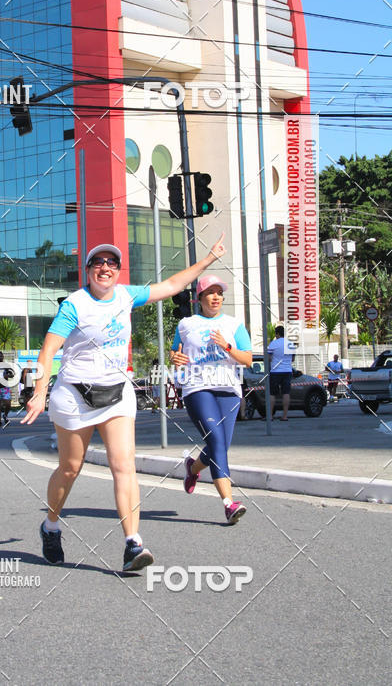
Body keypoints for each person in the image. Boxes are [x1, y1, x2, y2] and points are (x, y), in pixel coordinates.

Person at [23, 233, 226, 571]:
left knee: (124, 466)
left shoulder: (126, 295)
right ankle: (51, 526)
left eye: (112, 263)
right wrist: (40, 391)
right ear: (88, 270)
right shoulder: (75, 304)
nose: (106, 268)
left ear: (118, 270)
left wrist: (208, 259)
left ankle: (133, 544)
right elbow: (48, 351)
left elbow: (174, 284)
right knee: (71, 468)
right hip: (74, 394)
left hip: (117, 392)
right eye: (98, 263)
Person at [170, 274, 252, 525]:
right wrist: (175, 359)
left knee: (220, 447)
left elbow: (247, 359)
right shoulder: (186, 324)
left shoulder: (234, 324)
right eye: (210, 293)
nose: (216, 297)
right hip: (198, 388)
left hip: (228, 390)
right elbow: (175, 353)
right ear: (200, 298)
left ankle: (193, 469)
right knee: (216, 440)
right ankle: (229, 504)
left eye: (219, 293)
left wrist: (227, 347)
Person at [268, 325, 295, 421]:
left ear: (277, 334)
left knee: (272, 394)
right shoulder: (290, 344)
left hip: (275, 371)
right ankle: (285, 415)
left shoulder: (273, 344)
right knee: (286, 393)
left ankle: (270, 416)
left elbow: (269, 358)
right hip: (287, 371)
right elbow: (292, 359)